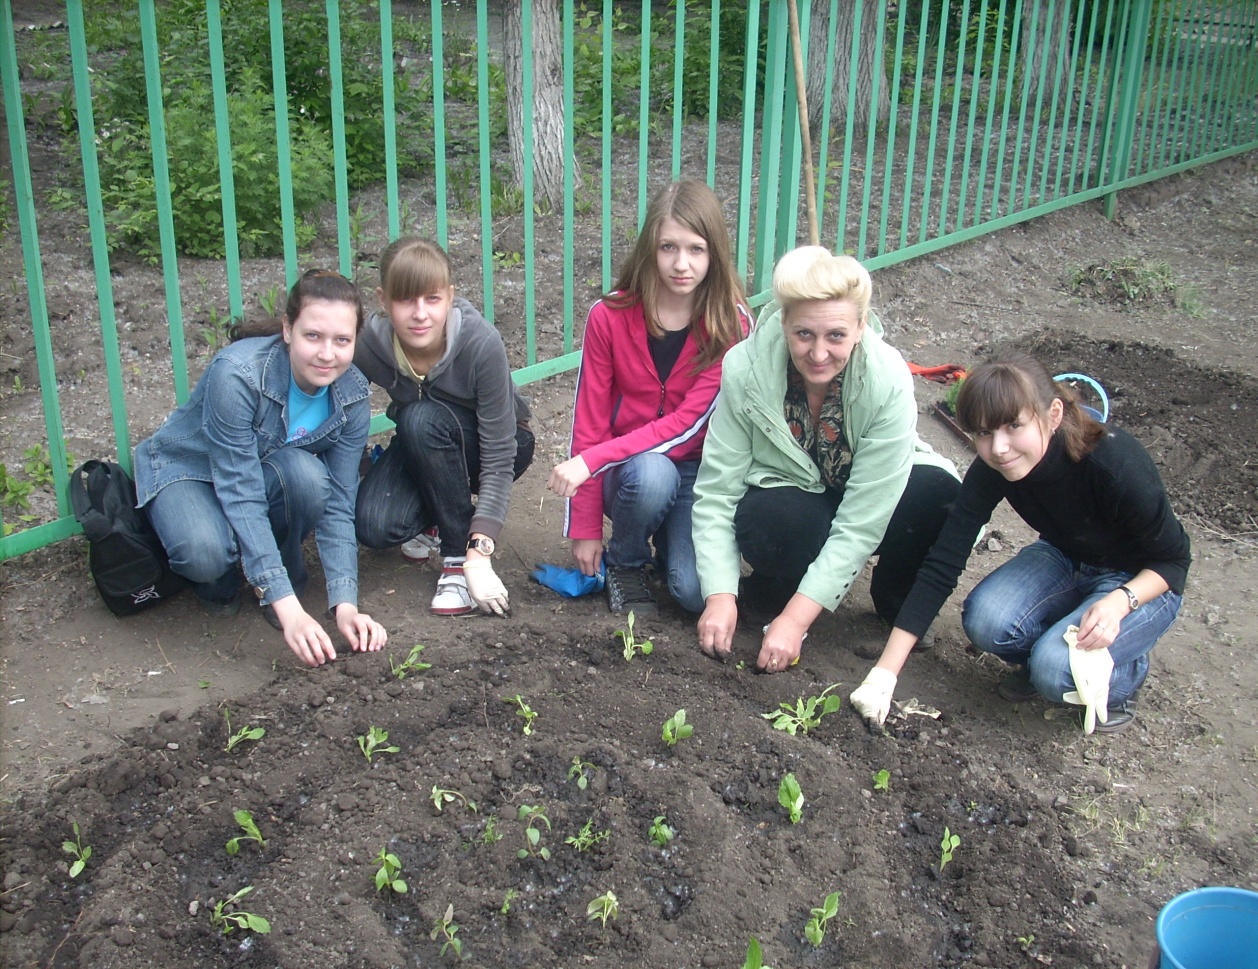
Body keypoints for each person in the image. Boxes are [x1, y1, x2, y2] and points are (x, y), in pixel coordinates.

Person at [849, 352, 1191, 733]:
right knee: (984, 620)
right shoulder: (994, 467)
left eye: (1014, 426)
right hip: (1066, 555)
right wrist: (884, 674)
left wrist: (1119, 602)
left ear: (1053, 415)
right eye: (983, 432)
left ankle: (1124, 675)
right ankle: (1057, 651)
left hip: (1141, 579)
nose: (999, 447)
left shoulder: (1113, 464)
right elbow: (943, 563)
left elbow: (1175, 560)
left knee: (1053, 669)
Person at [692, 245, 961, 671]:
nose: (818, 354)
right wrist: (720, 595)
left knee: (938, 495)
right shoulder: (745, 369)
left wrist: (796, 623)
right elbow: (716, 491)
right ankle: (777, 586)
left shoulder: (887, 379)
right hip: (796, 494)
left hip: (871, 491)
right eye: (804, 334)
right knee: (776, 518)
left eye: (835, 335)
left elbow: (860, 522)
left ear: (859, 327)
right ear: (783, 324)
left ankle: (893, 596)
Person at [135, 269, 387, 667]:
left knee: (307, 479)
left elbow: (339, 503)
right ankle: (225, 581)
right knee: (204, 552)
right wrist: (290, 611)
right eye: (313, 336)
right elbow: (242, 490)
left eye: (342, 340)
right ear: (288, 330)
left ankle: (277, 577)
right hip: (189, 468)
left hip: (260, 471)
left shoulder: (352, 394)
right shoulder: (237, 375)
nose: (327, 354)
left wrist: (346, 605)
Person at [546, 179, 751, 616]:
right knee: (652, 474)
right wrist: (584, 526)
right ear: (649, 250)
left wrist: (588, 463)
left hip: (697, 471)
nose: (682, 264)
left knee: (694, 594)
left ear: (714, 253)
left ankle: (667, 546)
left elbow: (688, 425)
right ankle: (626, 562)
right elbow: (590, 420)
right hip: (629, 474)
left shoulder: (732, 325)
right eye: (668, 248)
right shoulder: (610, 315)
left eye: (696, 249)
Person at [354, 237, 534, 617]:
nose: (420, 313)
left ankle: (454, 557)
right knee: (374, 526)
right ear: (383, 301)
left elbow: (501, 453)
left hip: (494, 445)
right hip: (425, 441)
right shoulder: (368, 343)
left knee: (419, 418)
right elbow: (318, 340)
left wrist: (478, 552)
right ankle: (438, 516)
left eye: (432, 299)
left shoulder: (479, 343)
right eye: (405, 300)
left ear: (450, 297)